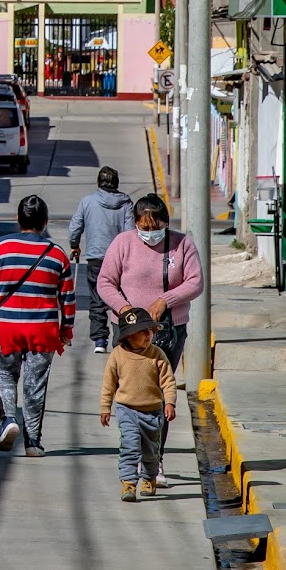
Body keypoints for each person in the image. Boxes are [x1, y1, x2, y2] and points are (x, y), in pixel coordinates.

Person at [96, 193, 202, 481]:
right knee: (133, 394)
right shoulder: (123, 244)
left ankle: (155, 460)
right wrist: (125, 308)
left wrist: (166, 300)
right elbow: (105, 281)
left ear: (166, 222)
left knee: (158, 395)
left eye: (155, 226)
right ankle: (135, 456)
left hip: (169, 331)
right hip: (130, 333)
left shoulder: (182, 245)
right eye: (143, 226)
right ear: (135, 224)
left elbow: (196, 282)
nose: (149, 232)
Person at [0, 193, 75, 458]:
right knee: (35, 384)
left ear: (18, 219)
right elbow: (68, 299)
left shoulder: (0, 249)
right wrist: (66, 329)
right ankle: (33, 442)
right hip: (43, 330)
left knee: (5, 375)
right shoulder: (58, 255)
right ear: (46, 222)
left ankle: (8, 421)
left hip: (8, 329)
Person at [99, 306, 177, 501]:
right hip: (127, 410)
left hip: (152, 411)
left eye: (149, 331)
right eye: (142, 332)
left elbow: (168, 381)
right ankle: (128, 483)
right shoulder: (117, 355)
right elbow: (109, 384)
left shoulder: (157, 354)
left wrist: (170, 403)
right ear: (128, 336)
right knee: (130, 445)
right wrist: (105, 408)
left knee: (150, 452)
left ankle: (149, 477)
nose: (148, 335)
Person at [65, 165, 135, 353]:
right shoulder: (126, 203)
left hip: (96, 257)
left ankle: (100, 340)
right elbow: (130, 232)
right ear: (116, 183)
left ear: (98, 182)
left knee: (97, 298)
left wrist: (74, 245)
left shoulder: (87, 201)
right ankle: (120, 337)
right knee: (119, 297)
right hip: (119, 259)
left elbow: (75, 227)